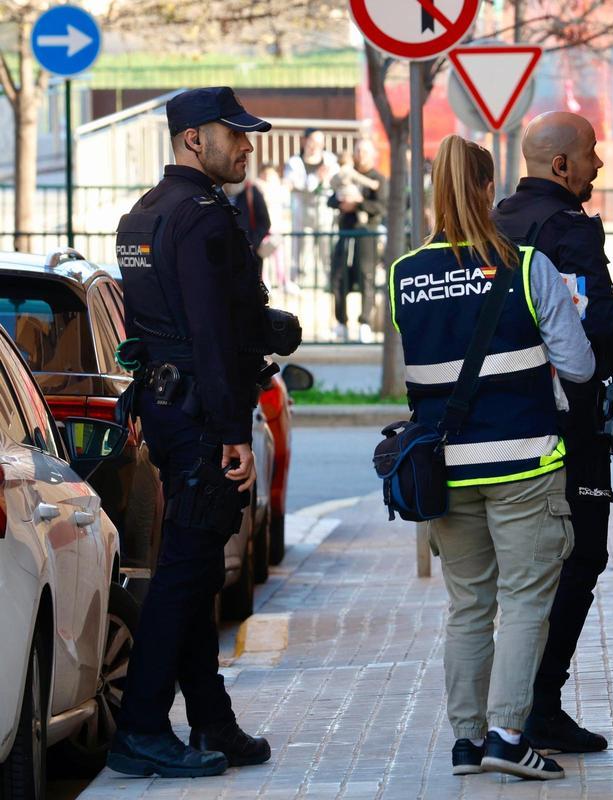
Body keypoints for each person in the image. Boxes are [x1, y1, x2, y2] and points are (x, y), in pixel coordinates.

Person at [390, 134, 594, 781]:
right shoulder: (526, 265)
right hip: (525, 466)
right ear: (487, 189)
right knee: (528, 598)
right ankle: (510, 733)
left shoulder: (405, 275)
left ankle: (467, 743)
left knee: (469, 604)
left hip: (444, 470)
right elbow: (580, 364)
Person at [493, 111, 613, 752]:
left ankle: (501, 715)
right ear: (561, 165)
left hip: (504, 421)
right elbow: (594, 333)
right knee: (581, 557)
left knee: (516, 571)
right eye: (591, 153)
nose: (598, 165)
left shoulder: (498, 222)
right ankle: (539, 706)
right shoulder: (568, 229)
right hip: (567, 422)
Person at [108, 87, 279, 777]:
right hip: (204, 416)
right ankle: (142, 729)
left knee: (198, 568)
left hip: (167, 410)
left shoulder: (141, 215)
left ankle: (212, 721)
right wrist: (234, 429)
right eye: (232, 134)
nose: (245, 146)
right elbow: (210, 331)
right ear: (191, 139)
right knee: (183, 577)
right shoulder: (206, 218)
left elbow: (150, 331)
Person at [328, 139, 387, 342]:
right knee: (337, 277)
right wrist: (342, 203)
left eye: (364, 152)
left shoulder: (377, 178)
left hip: (367, 233)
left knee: (366, 276)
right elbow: (331, 197)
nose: (360, 155)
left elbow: (381, 206)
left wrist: (359, 205)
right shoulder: (346, 173)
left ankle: (365, 323)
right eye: (358, 151)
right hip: (345, 232)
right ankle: (341, 322)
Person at [284, 128, 338, 286]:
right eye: (312, 141)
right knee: (302, 250)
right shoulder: (294, 162)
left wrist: (321, 181)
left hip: (325, 214)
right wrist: (315, 178)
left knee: (327, 250)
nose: (316, 146)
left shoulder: (330, 160)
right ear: (304, 141)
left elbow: (335, 182)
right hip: (302, 213)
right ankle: (298, 283)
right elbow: (295, 185)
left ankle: (330, 283)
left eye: (320, 143)